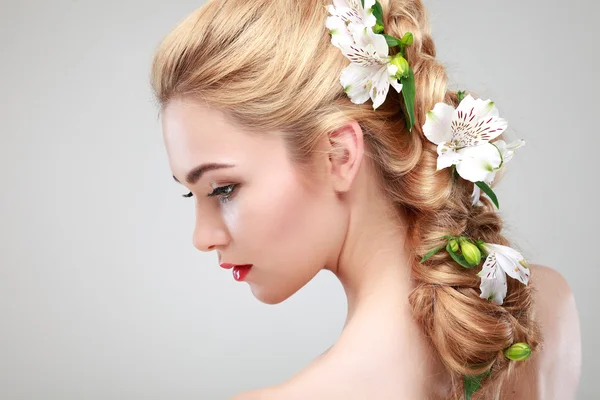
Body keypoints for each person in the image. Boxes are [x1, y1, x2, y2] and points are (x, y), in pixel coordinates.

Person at [150, 0, 582, 398]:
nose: (202, 236)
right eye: (192, 192)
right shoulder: (546, 303)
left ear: (339, 155)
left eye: (223, 189)